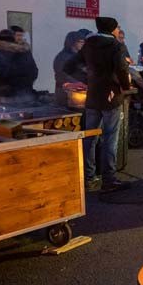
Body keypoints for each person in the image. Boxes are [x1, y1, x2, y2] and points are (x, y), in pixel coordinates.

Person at [64, 17, 130, 192]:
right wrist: (125, 87)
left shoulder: (89, 44)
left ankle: (88, 177)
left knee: (90, 138)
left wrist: (88, 80)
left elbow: (69, 67)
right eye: (117, 28)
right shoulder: (116, 46)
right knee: (110, 138)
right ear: (112, 30)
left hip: (92, 97)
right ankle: (109, 179)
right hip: (111, 96)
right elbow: (122, 69)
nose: (118, 31)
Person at [0, 29, 38, 104]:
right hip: (21, 95)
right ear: (13, 39)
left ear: (0, 38)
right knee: (19, 115)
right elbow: (34, 72)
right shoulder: (23, 52)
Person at [53, 31, 87, 106]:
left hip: (80, 96)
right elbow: (62, 75)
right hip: (66, 96)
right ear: (72, 42)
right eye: (80, 42)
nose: (82, 44)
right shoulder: (62, 57)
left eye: (83, 42)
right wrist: (78, 83)